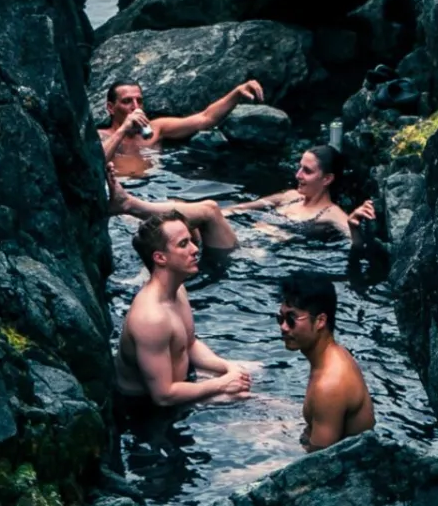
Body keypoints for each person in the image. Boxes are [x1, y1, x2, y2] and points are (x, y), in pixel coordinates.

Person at [100, 77, 265, 251]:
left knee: (195, 225)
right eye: (127, 102)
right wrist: (123, 129)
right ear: (111, 108)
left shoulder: (157, 129)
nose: (135, 107)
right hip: (124, 196)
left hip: (157, 189)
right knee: (167, 233)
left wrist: (237, 93)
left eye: (139, 101)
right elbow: (94, 162)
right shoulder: (101, 137)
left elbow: (205, 118)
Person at [115, 211, 253, 410]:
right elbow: (163, 396)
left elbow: (189, 344)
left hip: (180, 386)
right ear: (160, 258)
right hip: (146, 410)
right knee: (254, 400)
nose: (195, 249)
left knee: (253, 372)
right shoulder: (151, 319)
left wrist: (228, 367)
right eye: (183, 244)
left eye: (191, 240)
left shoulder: (178, 289)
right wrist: (222, 383)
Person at [276, 270, 374, 451]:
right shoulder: (334, 354)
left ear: (320, 321)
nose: (283, 327)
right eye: (280, 318)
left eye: (291, 319)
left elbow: (318, 466)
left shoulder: (329, 385)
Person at [231, 145, 376, 244]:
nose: (297, 175)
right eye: (299, 167)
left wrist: (354, 227)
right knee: (210, 210)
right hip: (242, 236)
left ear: (327, 179)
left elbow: (358, 246)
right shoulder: (290, 197)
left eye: (307, 171)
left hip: (254, 254)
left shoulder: (331, 214)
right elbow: (240, 208)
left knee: (209, 210)